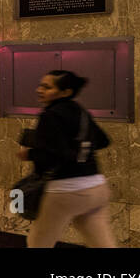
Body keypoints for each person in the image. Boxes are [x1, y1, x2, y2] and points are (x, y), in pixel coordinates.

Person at [18, 69, 116, 248]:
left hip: (66, 191)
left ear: (65, 92)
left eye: (47, 87)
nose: (40, 90)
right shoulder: (81, 112)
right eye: (41, 85)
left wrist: (29, 154)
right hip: (97, 188)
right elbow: (103, 140)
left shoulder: (50, 115)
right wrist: (81, 149)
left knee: (38, 243)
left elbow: (51, 157)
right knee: (102, 244)